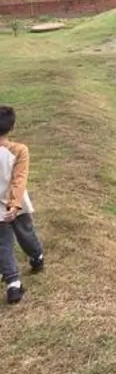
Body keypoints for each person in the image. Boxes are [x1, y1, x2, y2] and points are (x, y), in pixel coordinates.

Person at [0, 106, 44, 304]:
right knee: (26, 233)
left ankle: (13, 284)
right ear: (12, 127)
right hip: (16, 204)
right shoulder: (19, 150)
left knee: (3, 245)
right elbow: (19, 178)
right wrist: (15, 204)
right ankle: (37, 258)